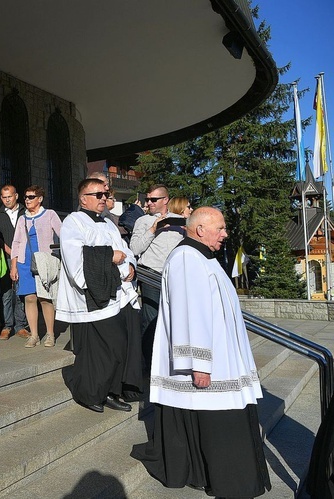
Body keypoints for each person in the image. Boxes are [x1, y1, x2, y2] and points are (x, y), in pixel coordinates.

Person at [131, 207, 270, 497]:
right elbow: (189, 313)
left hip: (223, 356)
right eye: (220, 228)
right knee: (220, 420)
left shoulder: (202, 257)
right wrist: (199, 363)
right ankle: (228, 481)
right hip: (210, 361)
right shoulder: (185, 259)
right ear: (200, 229)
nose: (225, 233)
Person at [56, 179, 139, 412]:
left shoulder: (108, 223)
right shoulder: (73, 222)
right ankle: (89, 393)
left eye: (106, 194)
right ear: (83, 198)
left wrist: (130, 264)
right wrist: (110, 256)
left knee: (118, 345)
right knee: (105, 346)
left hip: (117, 292)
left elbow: (125, 249)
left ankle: (110, 391)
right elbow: (75, 259)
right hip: (92, 295)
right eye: (99, 194)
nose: (104, 198)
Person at [10, 185, 61, 348]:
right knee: (29, 298)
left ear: (40, 199)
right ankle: (34, 335)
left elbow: (63, 234)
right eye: (26, 197)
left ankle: (50, 334)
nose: (27, 200)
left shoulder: (50, 214)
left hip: (44, 261)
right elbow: (16, 242)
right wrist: (14, 265)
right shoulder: (22, 219)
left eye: (31, 197)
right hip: (25, 262)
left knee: (45, 298)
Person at [129, 184, 175, 365]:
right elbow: (134, 248)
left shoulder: (178, 220)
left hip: (173, 277)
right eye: (147, 199)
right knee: (151, 319)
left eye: (153, 199)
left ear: (166, 200)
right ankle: (147, 364)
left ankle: (167, 361)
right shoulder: (143, 221)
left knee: (172, 320)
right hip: (151, 276)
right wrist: (153, 230)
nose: (148, 203)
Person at [0, 184, 30, 340]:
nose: (7, 199)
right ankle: (6, 325)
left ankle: (20, 325)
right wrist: (9, 250)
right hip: (6, 258)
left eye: (10, 196)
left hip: (23, 257)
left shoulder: (26, 212)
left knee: (21, 292)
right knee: (6, 292)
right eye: (4, 197)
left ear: (16, 196)